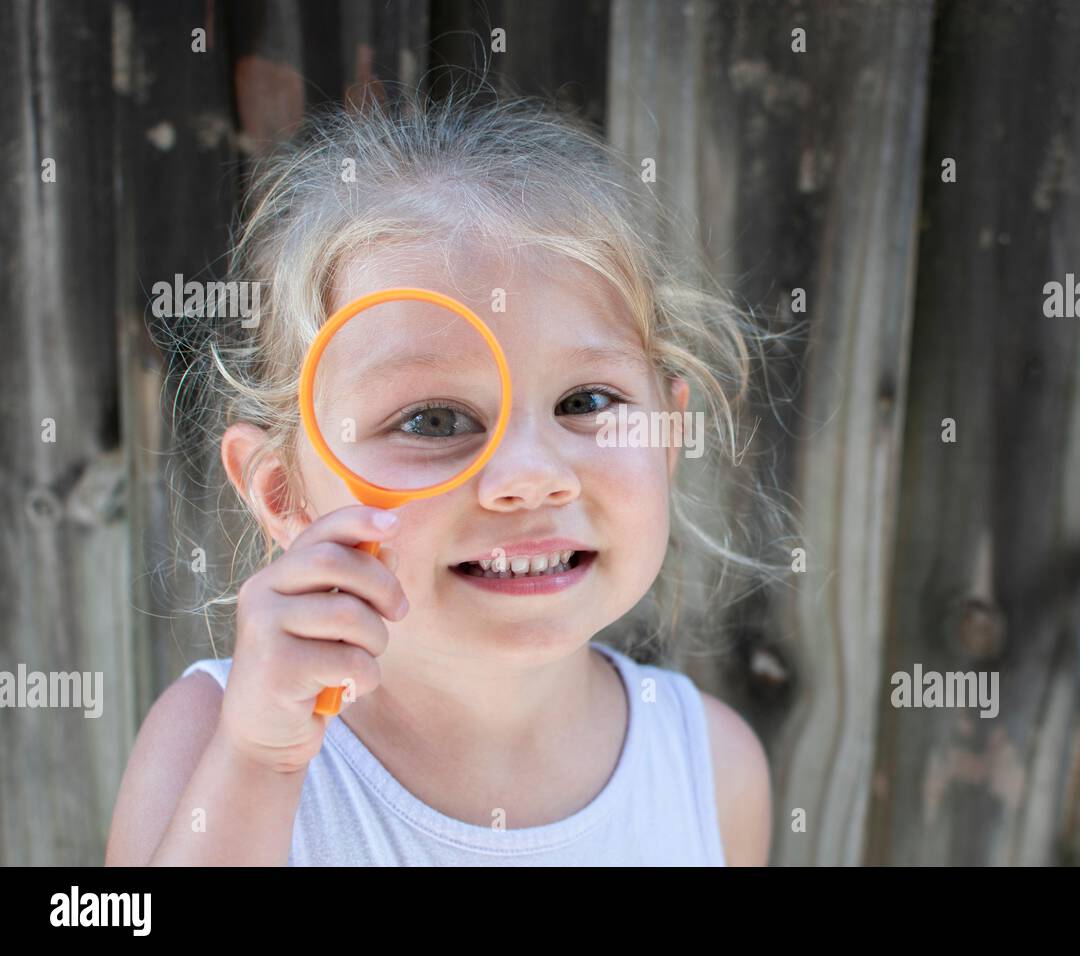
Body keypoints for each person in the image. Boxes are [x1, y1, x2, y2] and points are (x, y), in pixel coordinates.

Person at [106, 82, 789, 866]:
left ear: (667, 439)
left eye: (587, 400)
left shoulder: (712, 770)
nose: (531, 477)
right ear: (281, 492)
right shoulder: (216, 741)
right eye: (433, 421)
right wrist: (260, 765)